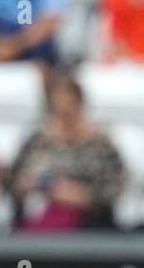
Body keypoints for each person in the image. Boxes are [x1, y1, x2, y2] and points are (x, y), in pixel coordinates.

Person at [7, 72, 126, 230]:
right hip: (41, 216)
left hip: (89, 220)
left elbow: (117, 185)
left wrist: (83, 196)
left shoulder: (100, 144)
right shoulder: (38, 140)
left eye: (69, 110)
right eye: (58, 111)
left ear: (80, 106)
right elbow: (12, 179)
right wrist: (28, 185)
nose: (64, 118)